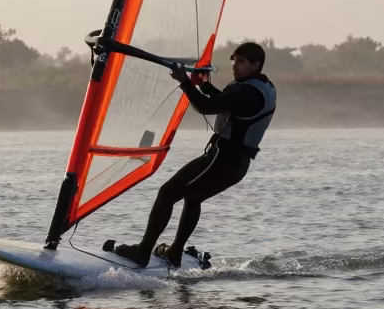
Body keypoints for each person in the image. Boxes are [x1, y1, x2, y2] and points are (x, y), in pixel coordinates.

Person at [106, 41, 277, 267]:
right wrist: (203, 86)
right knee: (193, 197)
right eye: (234, 60)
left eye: (241, 62)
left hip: (221, 161)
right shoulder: (261, 87)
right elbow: (222, 102)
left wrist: (185, 83)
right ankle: (175, 252)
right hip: (237, 165)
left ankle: (143, 252)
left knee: (167, 192)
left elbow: (207, 107)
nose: (235, 65)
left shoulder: (245, 91)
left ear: (256, 65)